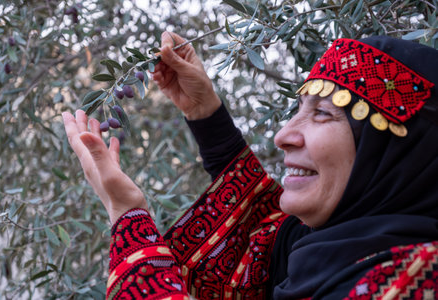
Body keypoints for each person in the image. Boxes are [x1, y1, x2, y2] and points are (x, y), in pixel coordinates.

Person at [62, 32, 438, 300]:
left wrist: (127, 216)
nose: (283, 135)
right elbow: (263, 230)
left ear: (395, 153)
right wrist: (204, 112)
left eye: (323, 113)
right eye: (296, 111)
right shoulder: (332, 246)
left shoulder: (412, 280)